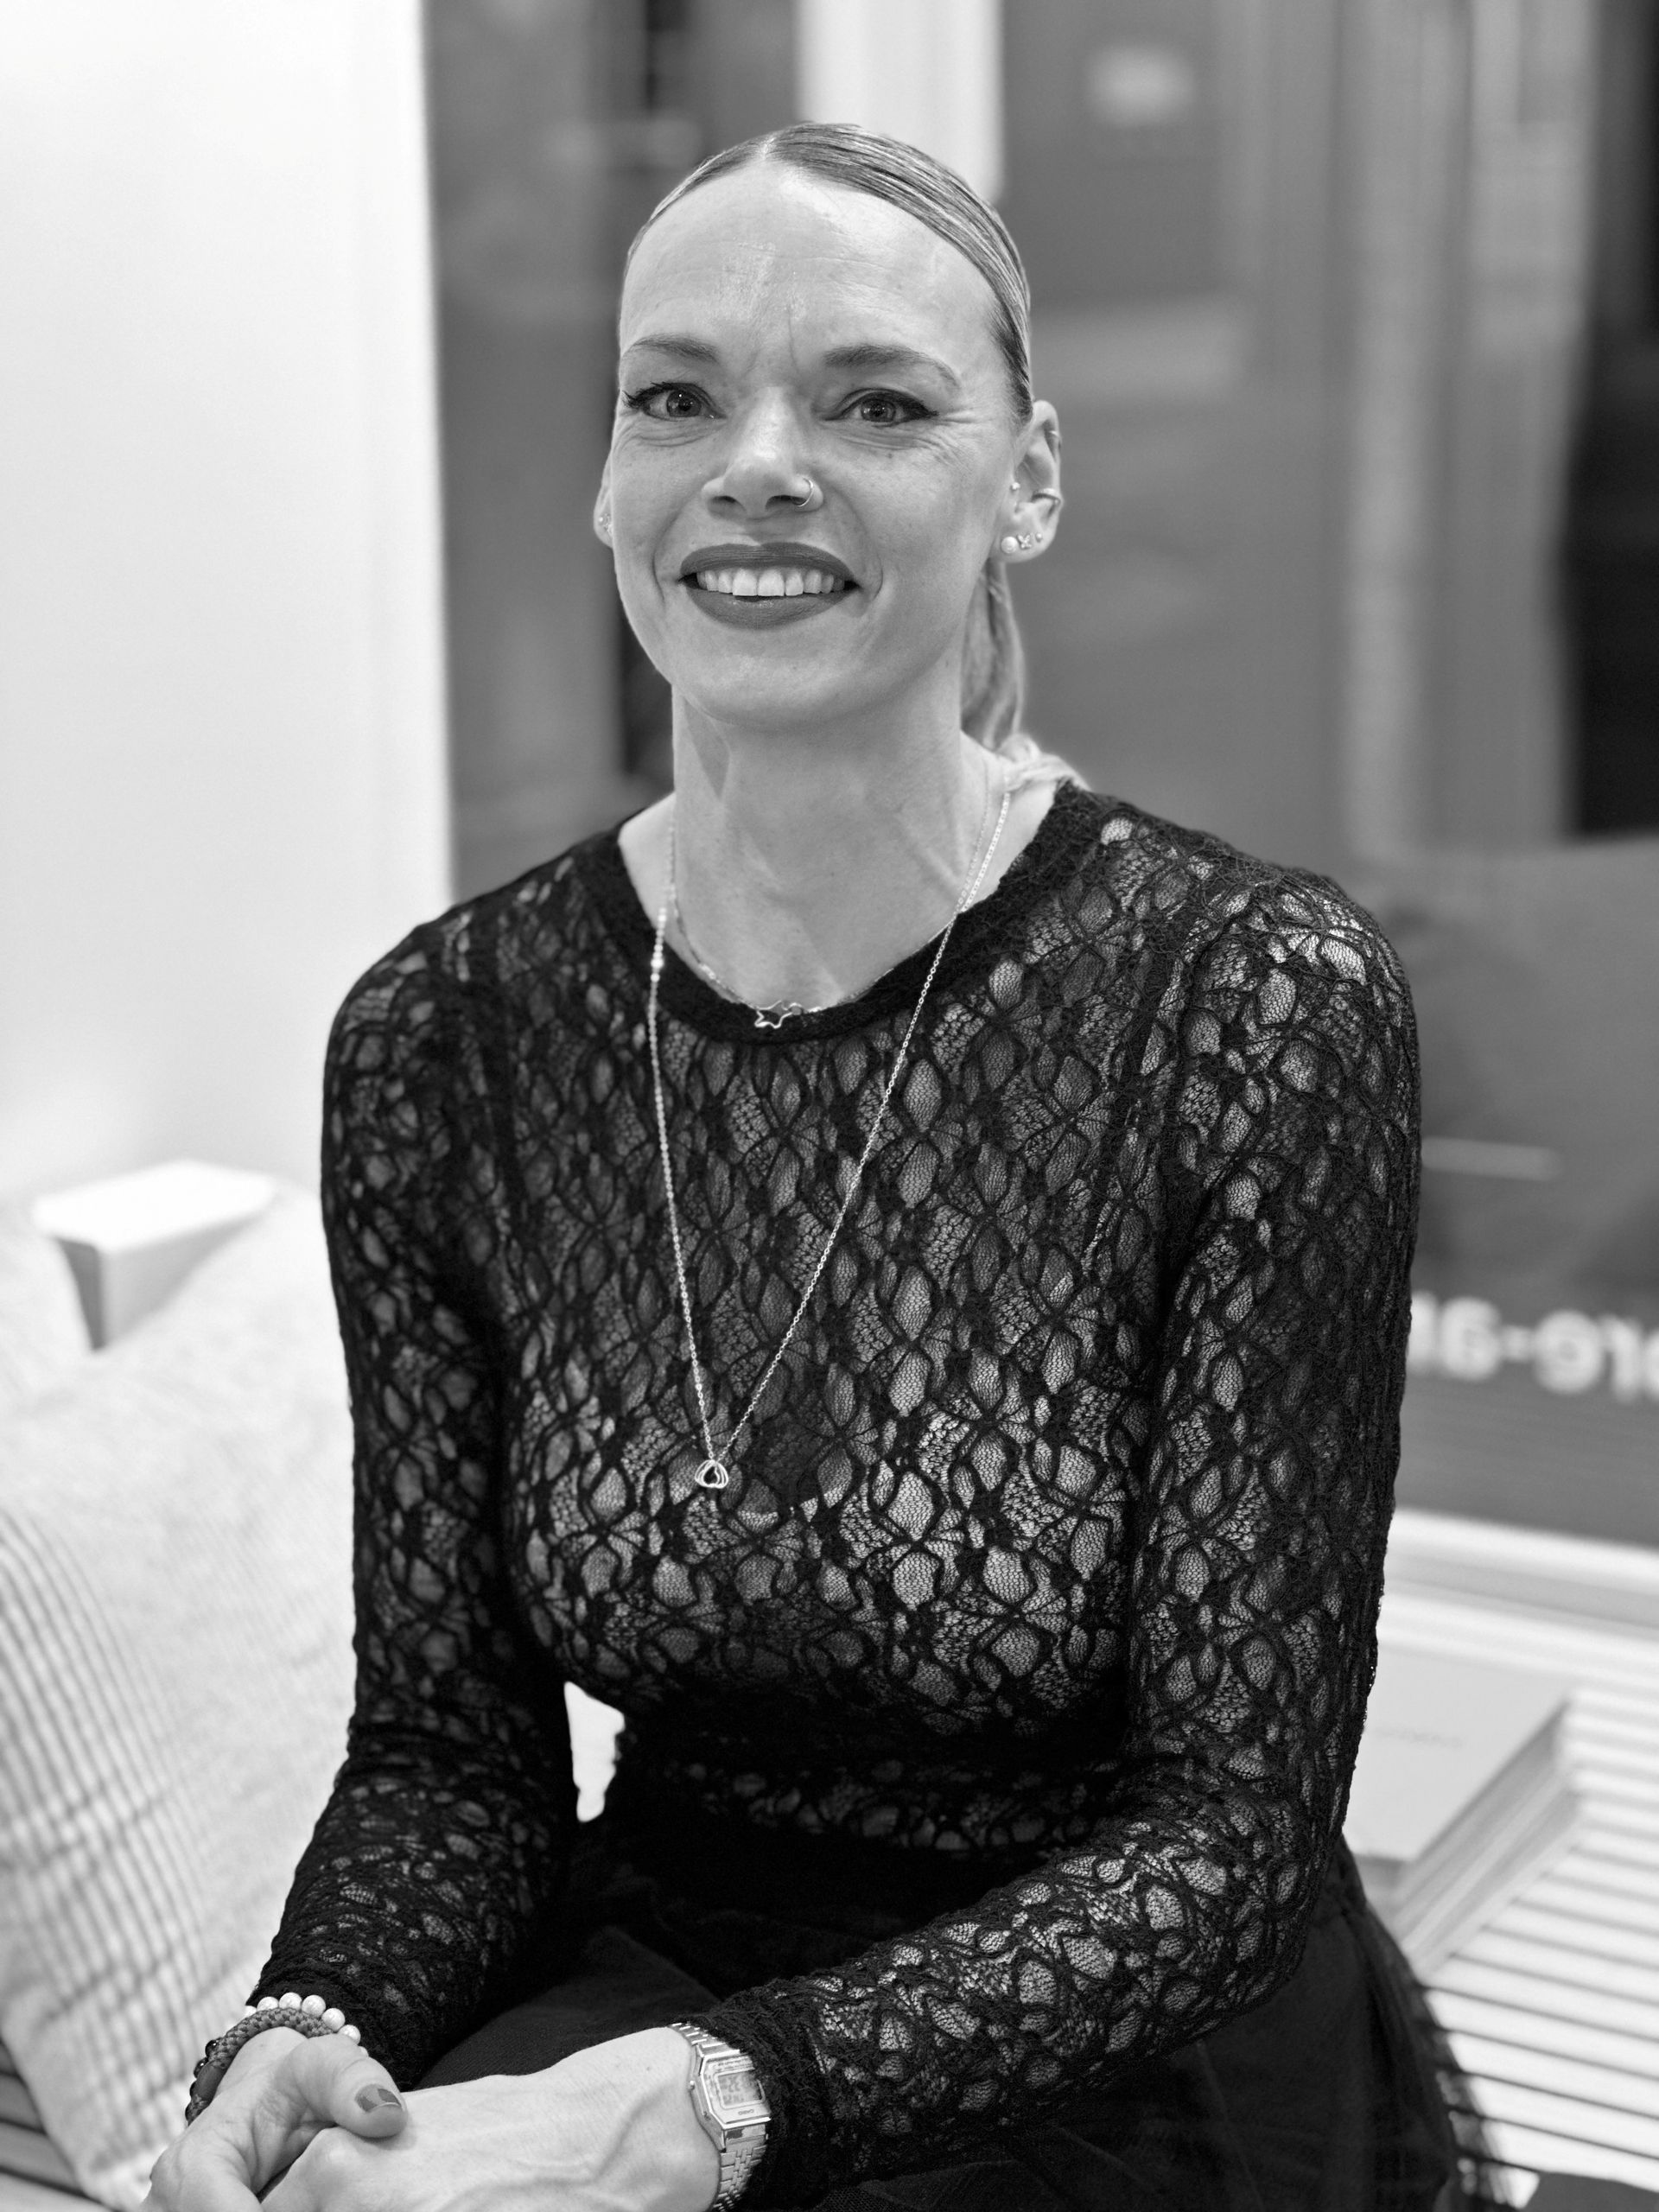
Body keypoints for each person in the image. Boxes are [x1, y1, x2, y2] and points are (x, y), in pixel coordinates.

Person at [148, 124, 1507, 2212]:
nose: (758, 466)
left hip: (1124, 2030)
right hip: (663, 1952)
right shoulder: (440, 1041)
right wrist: (307, 2025)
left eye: (874, 403)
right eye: (677, 396)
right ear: (610, 477)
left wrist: (681, 2114)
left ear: (1027, 478)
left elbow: (1229, 1838)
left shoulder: (1249, 1001)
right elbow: (452, 1758)